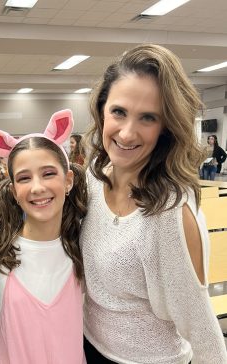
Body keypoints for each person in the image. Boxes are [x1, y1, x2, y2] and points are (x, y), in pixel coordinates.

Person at [80, 44, 227, 364]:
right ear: (102, 110)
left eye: (148, 118)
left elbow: (203, 331)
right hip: (87, 346)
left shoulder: (171, 213)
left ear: (165, 128)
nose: (127, 132)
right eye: (119, 111)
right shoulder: (92, 178)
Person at [0, 109, 87, 364]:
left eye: (48, 173)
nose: (37, 187)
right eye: (24, 178)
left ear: (68, 180)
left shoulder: (83, 246)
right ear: (14, 190)